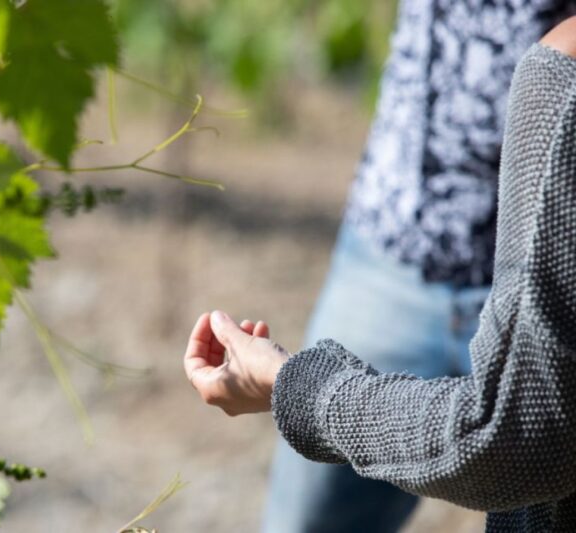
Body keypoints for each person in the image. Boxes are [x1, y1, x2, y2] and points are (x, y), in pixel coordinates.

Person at [184, 17, 576, 533]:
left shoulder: (564, 68)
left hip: (532, 256)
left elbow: (513, 437)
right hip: (393, 236)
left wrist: (290, 384)